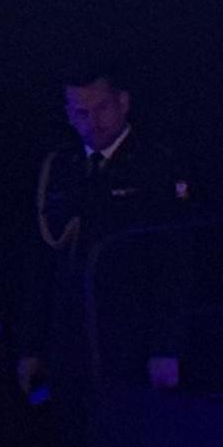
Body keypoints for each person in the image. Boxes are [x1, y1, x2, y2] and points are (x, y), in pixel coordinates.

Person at [28, 63, 191, 395]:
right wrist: (30, 344)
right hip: (70, 336)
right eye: (81, 112)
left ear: (123, 102)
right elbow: (40, 262)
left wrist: (165, 346)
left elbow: (174, 261)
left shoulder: (155, 163)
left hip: (132, 333)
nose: (92, 121)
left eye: (101, 108)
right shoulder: (60, 167)